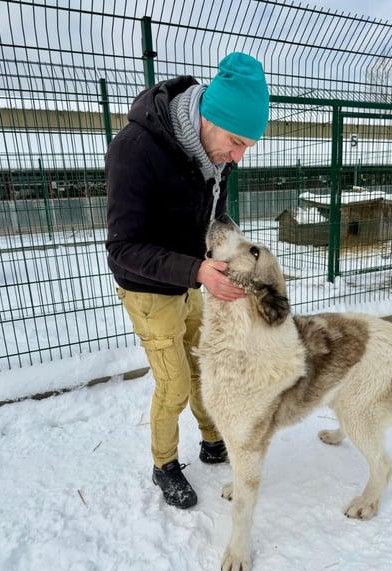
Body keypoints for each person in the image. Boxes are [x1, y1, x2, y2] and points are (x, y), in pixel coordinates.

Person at [104, 52, 270, 509]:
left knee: (203, 364)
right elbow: (123, 247)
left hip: (188, 281)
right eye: (235, 142)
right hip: (146, 288)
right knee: (174, 383)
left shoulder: (214, 151)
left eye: (245, 148)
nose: (236, 157)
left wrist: (231, 249)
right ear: (206, 116)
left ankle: (212, 439)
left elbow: (212, 213)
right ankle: (164, 466)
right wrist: (196, 270)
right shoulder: (135, 151)